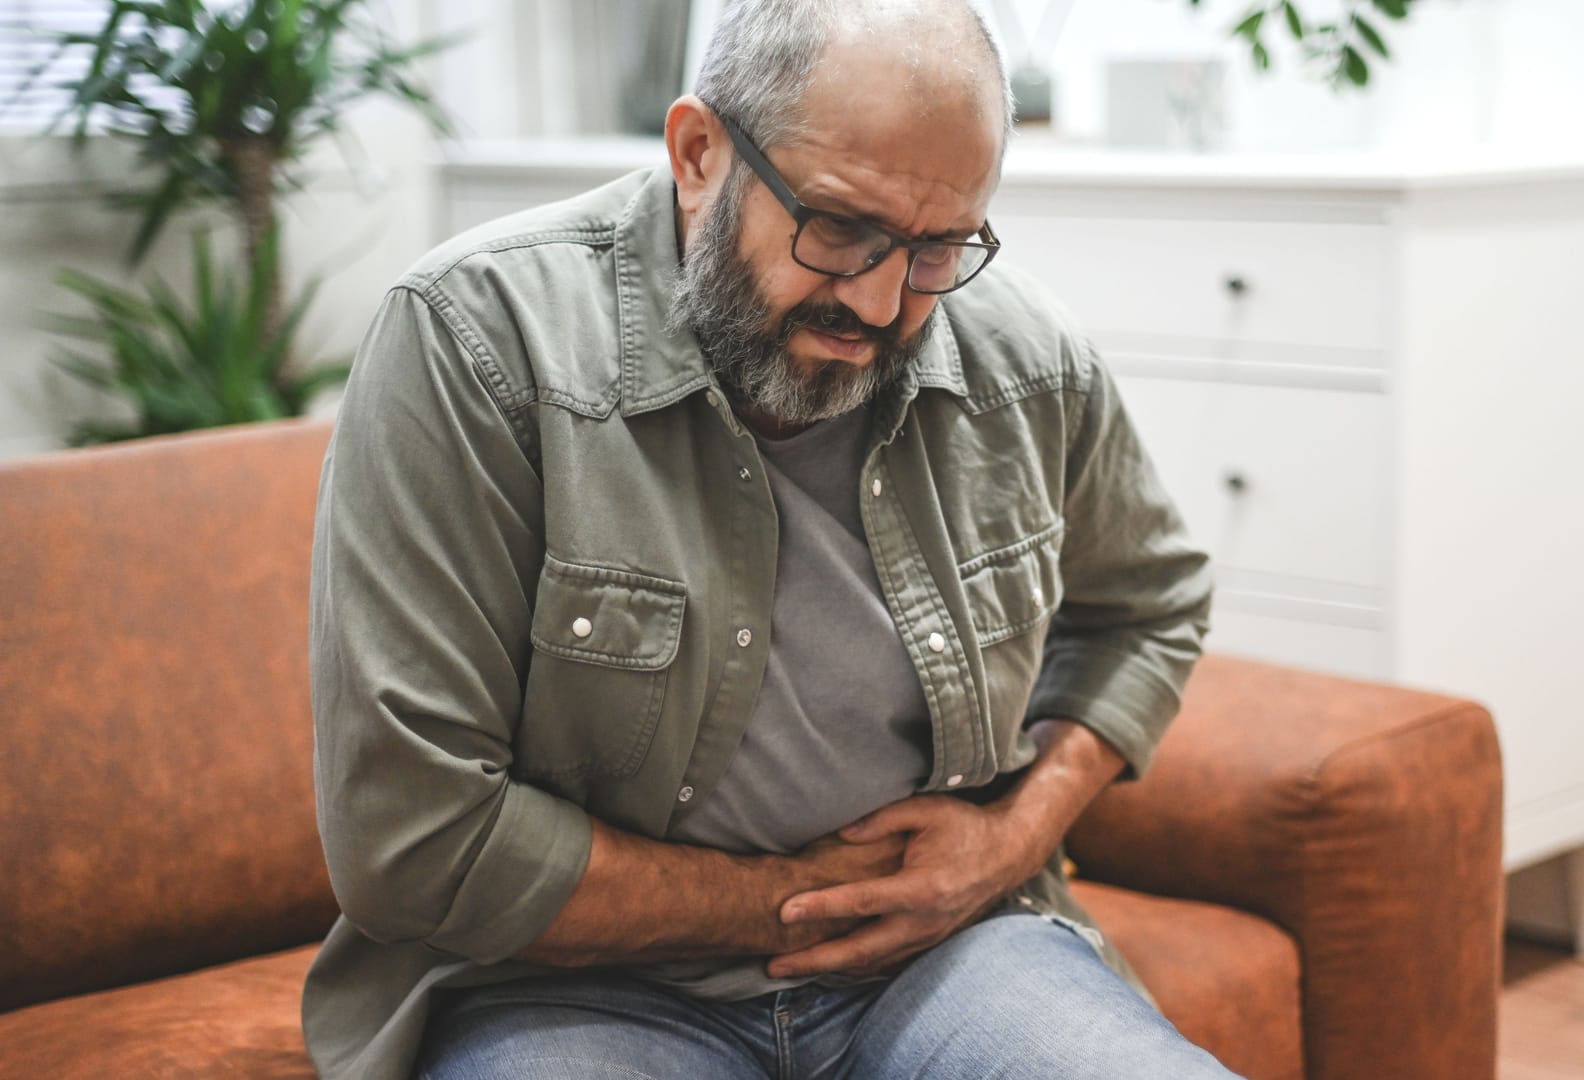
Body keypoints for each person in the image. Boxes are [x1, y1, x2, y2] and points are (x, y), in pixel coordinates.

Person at [303, 1, 1224, 1077]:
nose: (882, 303)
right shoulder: (476, 344)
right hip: (565, 991)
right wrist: (798, 906)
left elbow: (1150, 611)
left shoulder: (1025, 357)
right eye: (839, 227)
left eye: (936, 249)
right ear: (699, 154)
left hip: (952, 957)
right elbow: (412, 843)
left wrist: (1006, 846)